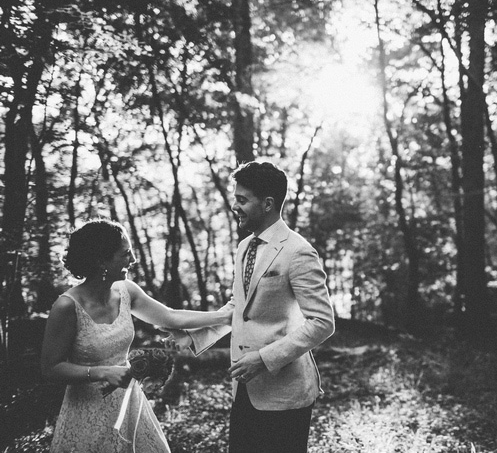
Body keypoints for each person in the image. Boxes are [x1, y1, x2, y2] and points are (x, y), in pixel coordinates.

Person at [164, 161, 335, 453]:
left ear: (267, 204)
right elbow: (237, 308)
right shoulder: (245, 247)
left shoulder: (299, 251)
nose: (235, 206)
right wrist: (191, 337)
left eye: (242, 200)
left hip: (284, 395)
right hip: (243, 390)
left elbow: (322, 322)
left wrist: (264, 359)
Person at [41, 219, 234, 453]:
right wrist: (101, 372)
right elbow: (50, 368)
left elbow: (171, 317)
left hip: (129, 403)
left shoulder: (127, 291)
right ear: (101, 260)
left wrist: (225, 317)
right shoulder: (66, 306)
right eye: (125, 254)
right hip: (86, 411)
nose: (132, 260)